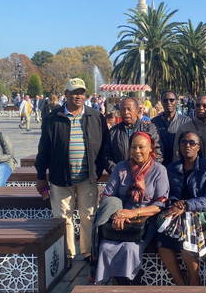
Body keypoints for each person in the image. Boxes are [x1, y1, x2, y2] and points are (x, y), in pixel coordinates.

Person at [35, 78, 107, 268]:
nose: (78, 96)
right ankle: (67, 254)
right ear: (65, 95)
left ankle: (88, 252)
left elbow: (105, 147)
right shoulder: (53, 117)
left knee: (88, 215)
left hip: (87, 177)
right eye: (74, 92)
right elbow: (44, 149)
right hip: (60, 178)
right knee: (62, 217)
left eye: (81, 92)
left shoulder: (95, 116)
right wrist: (41, 175)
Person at [92, 132, 169, 284]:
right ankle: (117, 284)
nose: (137, 151)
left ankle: (132, 285)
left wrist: (133, 213)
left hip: (145, 220)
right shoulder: (121, 168)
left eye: (141, 147)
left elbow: (160, 205)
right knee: (106, 246)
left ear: (150, 148)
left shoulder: (159, 170)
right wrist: (118, 214)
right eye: (134, 147)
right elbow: (108, 195)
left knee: (130, 249)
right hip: (120, 217)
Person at [157, 131, 206, 286]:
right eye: (184, 142)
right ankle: (180, 283)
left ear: (199, 147)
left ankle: (194, 279)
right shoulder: (171, 168)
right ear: (179, 146)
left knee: (186, 234)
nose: (187, 146)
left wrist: (186, 206)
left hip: (201, 214)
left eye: (192, 143)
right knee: (161, 240)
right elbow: (166, 193)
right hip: (177, 212)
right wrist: (175, 203)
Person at [103, 97, 162, 174]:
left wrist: (145, 173)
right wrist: (118, 172)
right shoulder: (113, 132)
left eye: (129, 109)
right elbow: (107, 155)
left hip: (145, 177)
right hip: (120, 178)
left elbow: (157, 154)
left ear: (137, 110)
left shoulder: (149, 129)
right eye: (123, 109)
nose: (126, 112)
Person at [172, 95, 206, 166]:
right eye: (198, 105)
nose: (201, 108)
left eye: (204, 106)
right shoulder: (184, 128)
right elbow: (177, 153)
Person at [152, 91, 191, 166]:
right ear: (161, 102)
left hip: (179, 164)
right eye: (165, 100)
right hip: (159, 163)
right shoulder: (154, 122)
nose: (168, 102)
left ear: (176, 102)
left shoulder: (186, 122)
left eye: (171, 100)